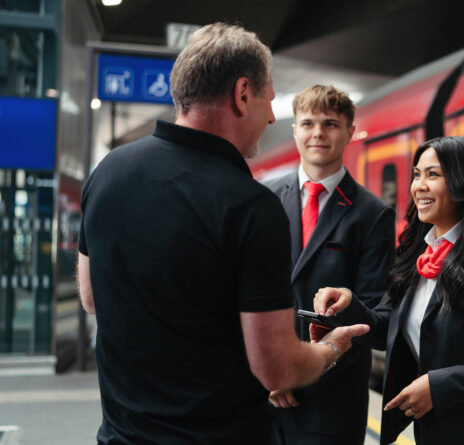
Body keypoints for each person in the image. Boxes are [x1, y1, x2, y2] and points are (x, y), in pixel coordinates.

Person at [76, 23, 368, 444]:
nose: (270, 115)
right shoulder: (250, 206)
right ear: (242, 93)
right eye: (268, 99)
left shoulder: (107, 173)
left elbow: (89, 297)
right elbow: (277, 368)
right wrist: (333, 349)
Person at [314, 136, 464, 445]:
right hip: (432, 432)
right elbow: (391, 331)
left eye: (433, 175)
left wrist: (440, 387)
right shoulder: (416, 257)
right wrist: (348, 307)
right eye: (417, 174)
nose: (419, 186)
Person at [265, 84, 395, 445]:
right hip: (264, 396)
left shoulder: (372, 214)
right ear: (295, 131)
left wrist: (301, 370)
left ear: (350, 132)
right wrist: (271, 373)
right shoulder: (264, 201)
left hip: (332, 401)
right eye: (307, 123)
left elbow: (378, 317)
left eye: (331, 123)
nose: (318, 133)